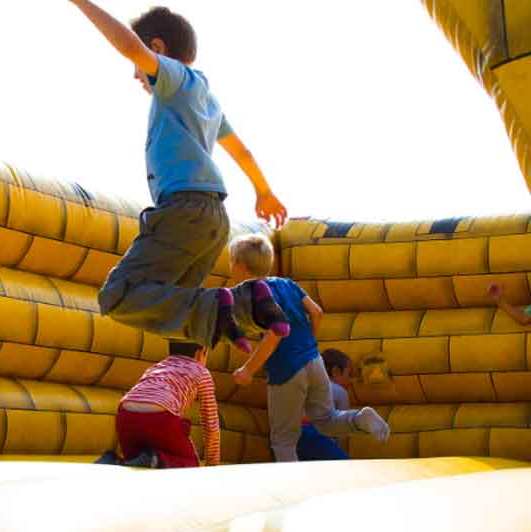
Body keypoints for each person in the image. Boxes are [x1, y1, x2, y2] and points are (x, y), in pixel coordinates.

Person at [68, 2, 289, 352]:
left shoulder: (173, 79)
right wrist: (264, 192)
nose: (135, 75)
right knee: (181, 315)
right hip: (214, 219)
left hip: (183, 211)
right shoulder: (207, 100)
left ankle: (221, 306)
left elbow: (129, 46)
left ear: (157, 49)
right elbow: (241, 151)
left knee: (118, 295)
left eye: (137, 67)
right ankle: (245, 303)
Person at [228, 234, 390, 462]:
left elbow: (275, 333)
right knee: (326, 420)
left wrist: (248, 370)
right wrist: (308, 343)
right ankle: (360, 419)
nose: (230, 269)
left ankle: (290, 488)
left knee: (283, 439)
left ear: (241, 267)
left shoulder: (255, 294)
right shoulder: (287, 284)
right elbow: (317, 312)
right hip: (314, 361)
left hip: (286, 370)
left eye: (231, 263)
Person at [95, 342, 220, 468]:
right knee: (190, 465)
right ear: (201, 352)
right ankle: (155, 459)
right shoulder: (201, 372)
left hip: (125, 417)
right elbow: (210, 422)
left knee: (135, 464)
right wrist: (213, 464)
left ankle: (113, 460)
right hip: (160, 418)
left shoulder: (156, 367)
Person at [296, 348, 354, 461]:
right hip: (314, 434)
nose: (350, 380)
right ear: (336, 371)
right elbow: (343, 430)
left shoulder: (305, 386)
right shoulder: (339, 391)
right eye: (349, 374)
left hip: (292, 435)